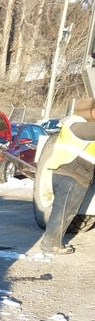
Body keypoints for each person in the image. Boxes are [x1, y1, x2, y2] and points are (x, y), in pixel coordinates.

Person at [39, 97, 95, 254]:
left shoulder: (74, 123)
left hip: (69, 173)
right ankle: (51, 244)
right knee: (64, 211)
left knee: (63, 210)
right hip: (73, 174)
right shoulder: (77, 124)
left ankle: (51, 241)